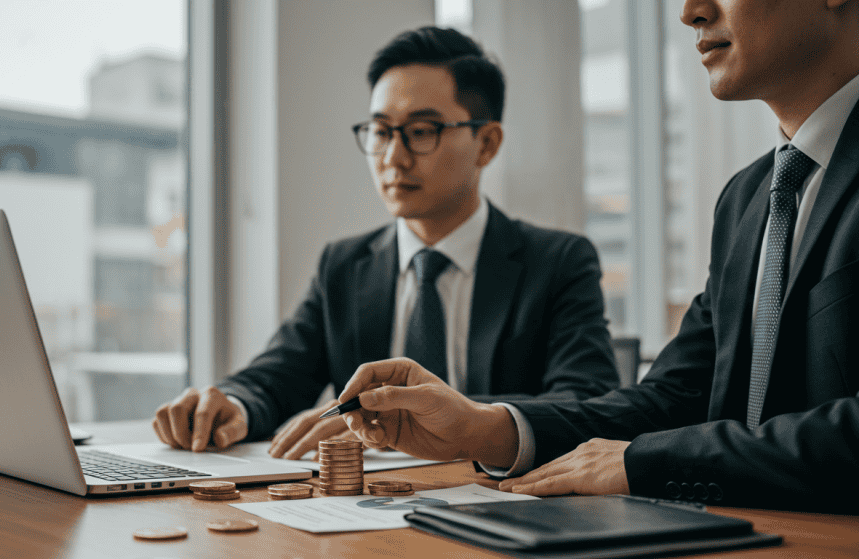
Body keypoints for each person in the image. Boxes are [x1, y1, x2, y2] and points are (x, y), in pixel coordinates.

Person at [340, 0, 859, 514]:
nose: (690, 12)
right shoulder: (747, 197)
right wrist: (485, 428)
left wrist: (647, 462)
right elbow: (673, 399)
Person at [153, 26, 618, 460]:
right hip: (363, 507)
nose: (394, 158)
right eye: (380, 132)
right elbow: (279, 375)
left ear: (487, 143)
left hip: (502, 501)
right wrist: (231, 403)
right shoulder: (344, 264)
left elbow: (586, 399)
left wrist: (412, 418)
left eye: (421, 132)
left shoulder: (557, 262)